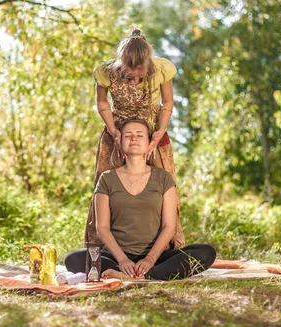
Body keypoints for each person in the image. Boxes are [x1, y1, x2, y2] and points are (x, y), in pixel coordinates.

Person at [67, 118, 216, 280]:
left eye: (140, 135)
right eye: (128, 135)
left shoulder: (163, 178)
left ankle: (141, 276)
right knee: (73, 259)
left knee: (206, 252)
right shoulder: (107, 178)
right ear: (120, 142)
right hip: (116, 257)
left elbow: (169, 226)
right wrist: (123, 259)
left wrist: (150, 259)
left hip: (156, 258)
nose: (134, 138)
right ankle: (134, 273)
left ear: (149, 143)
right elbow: (102, 227)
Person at [85, 28, 185, 251]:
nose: (135, 81)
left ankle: (163, 249)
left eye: (140, 76)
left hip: (152, 133)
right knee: (108, 185)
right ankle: (103, 250)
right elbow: (102, 103)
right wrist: (113, 130)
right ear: (121, 66)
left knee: (162, 184)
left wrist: (158, 132)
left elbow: (166, 103)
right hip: (118, 134)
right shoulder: (106, 72)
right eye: (130, 77)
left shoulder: (161, 69)